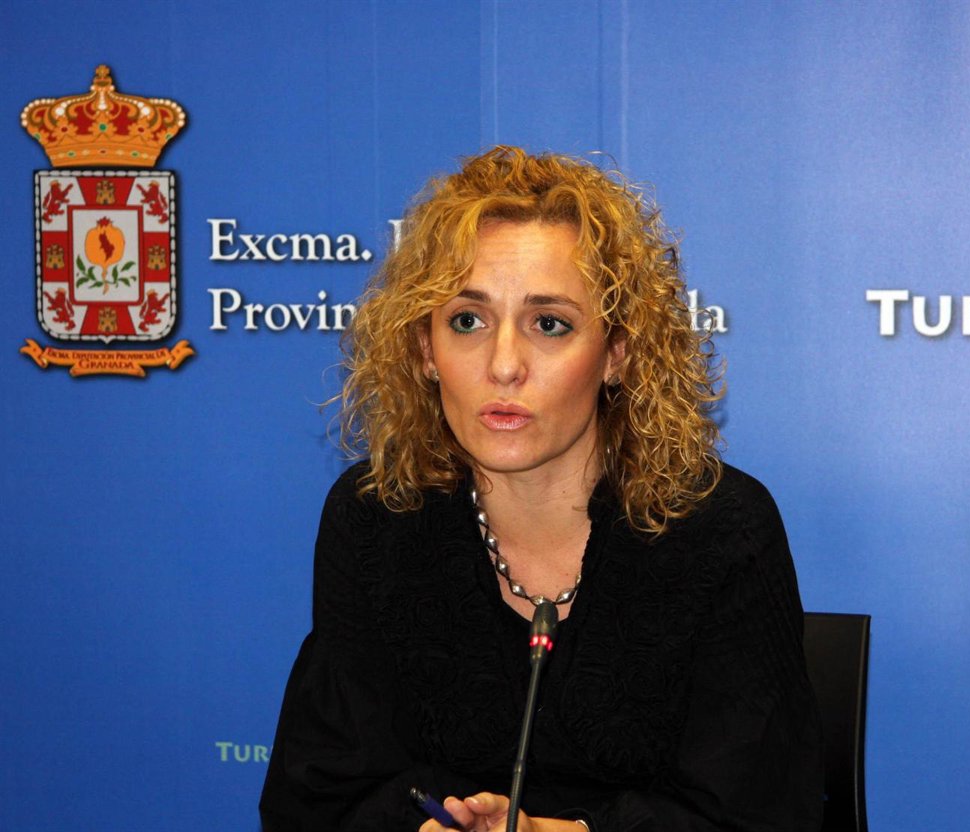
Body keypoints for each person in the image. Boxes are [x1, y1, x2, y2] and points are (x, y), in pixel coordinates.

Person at [260, 146, 823, 832]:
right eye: (467, 321)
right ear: (424, 350)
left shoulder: (717, 526)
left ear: (617, 353)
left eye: (549, 324)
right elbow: (317, 798)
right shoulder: (380, 513)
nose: (503, 365)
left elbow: (762, 815)